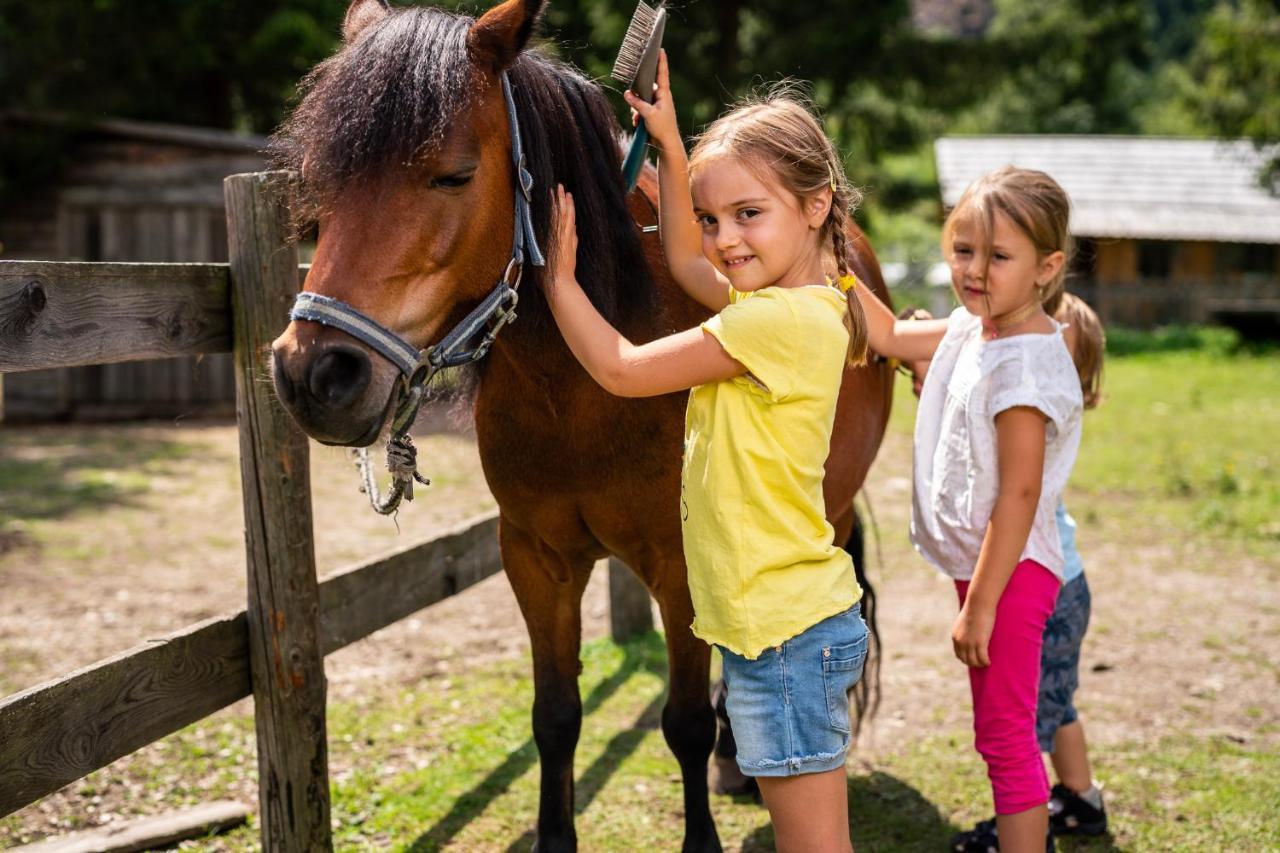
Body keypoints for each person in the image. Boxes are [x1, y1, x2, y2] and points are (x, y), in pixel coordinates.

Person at [544, 49, 870, 852]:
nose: (725, 240)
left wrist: (559, 285)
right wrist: (672, 145)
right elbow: (686, 261)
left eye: (748, 215)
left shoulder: (767, 323)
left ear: (819, 204)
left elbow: (620, 369)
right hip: (796, 620)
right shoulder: (806, 306)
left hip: (780, 635)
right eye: (716, 217)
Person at [850, 167, 1084, 853]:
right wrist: (829, 260)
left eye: (998, 256)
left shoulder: (1024, 368)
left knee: (1007, 738)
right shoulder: (971, 330)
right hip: (989, 571)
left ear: (1047, 267)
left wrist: (981, 602)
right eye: (963, 250)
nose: (974, 271)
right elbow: (890, 336)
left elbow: (1019, 494)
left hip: (1009, 575)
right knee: (998, 733)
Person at [903, 295, 1110, 849]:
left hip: (1039, 582)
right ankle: (1081, 799)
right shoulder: (1022, 390)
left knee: (1021, 729)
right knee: (1056, 704)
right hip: (1068, 582)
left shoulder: (1026, 391)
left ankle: (1024, 827)